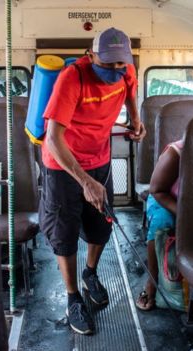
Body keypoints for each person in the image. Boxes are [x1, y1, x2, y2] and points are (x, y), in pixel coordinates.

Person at [40, 27, 146, 335]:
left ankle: (90, 273)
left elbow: (130, 92)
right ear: (91, 55)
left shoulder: (126, 71)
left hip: (99, 158)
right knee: (65, 231)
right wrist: (85, 182)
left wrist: (136, 121)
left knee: (102, 224)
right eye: (108, 63)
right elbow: (53, 139)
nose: (114, 69)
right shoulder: (72, 78)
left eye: (119, 63)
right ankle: (73, 297)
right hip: (63, 164)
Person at [135, 139, 183, 311]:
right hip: (167, 199)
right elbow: (157, 190)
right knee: (163, 222)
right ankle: (152, 282)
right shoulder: (176, 152)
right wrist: (186, 215)